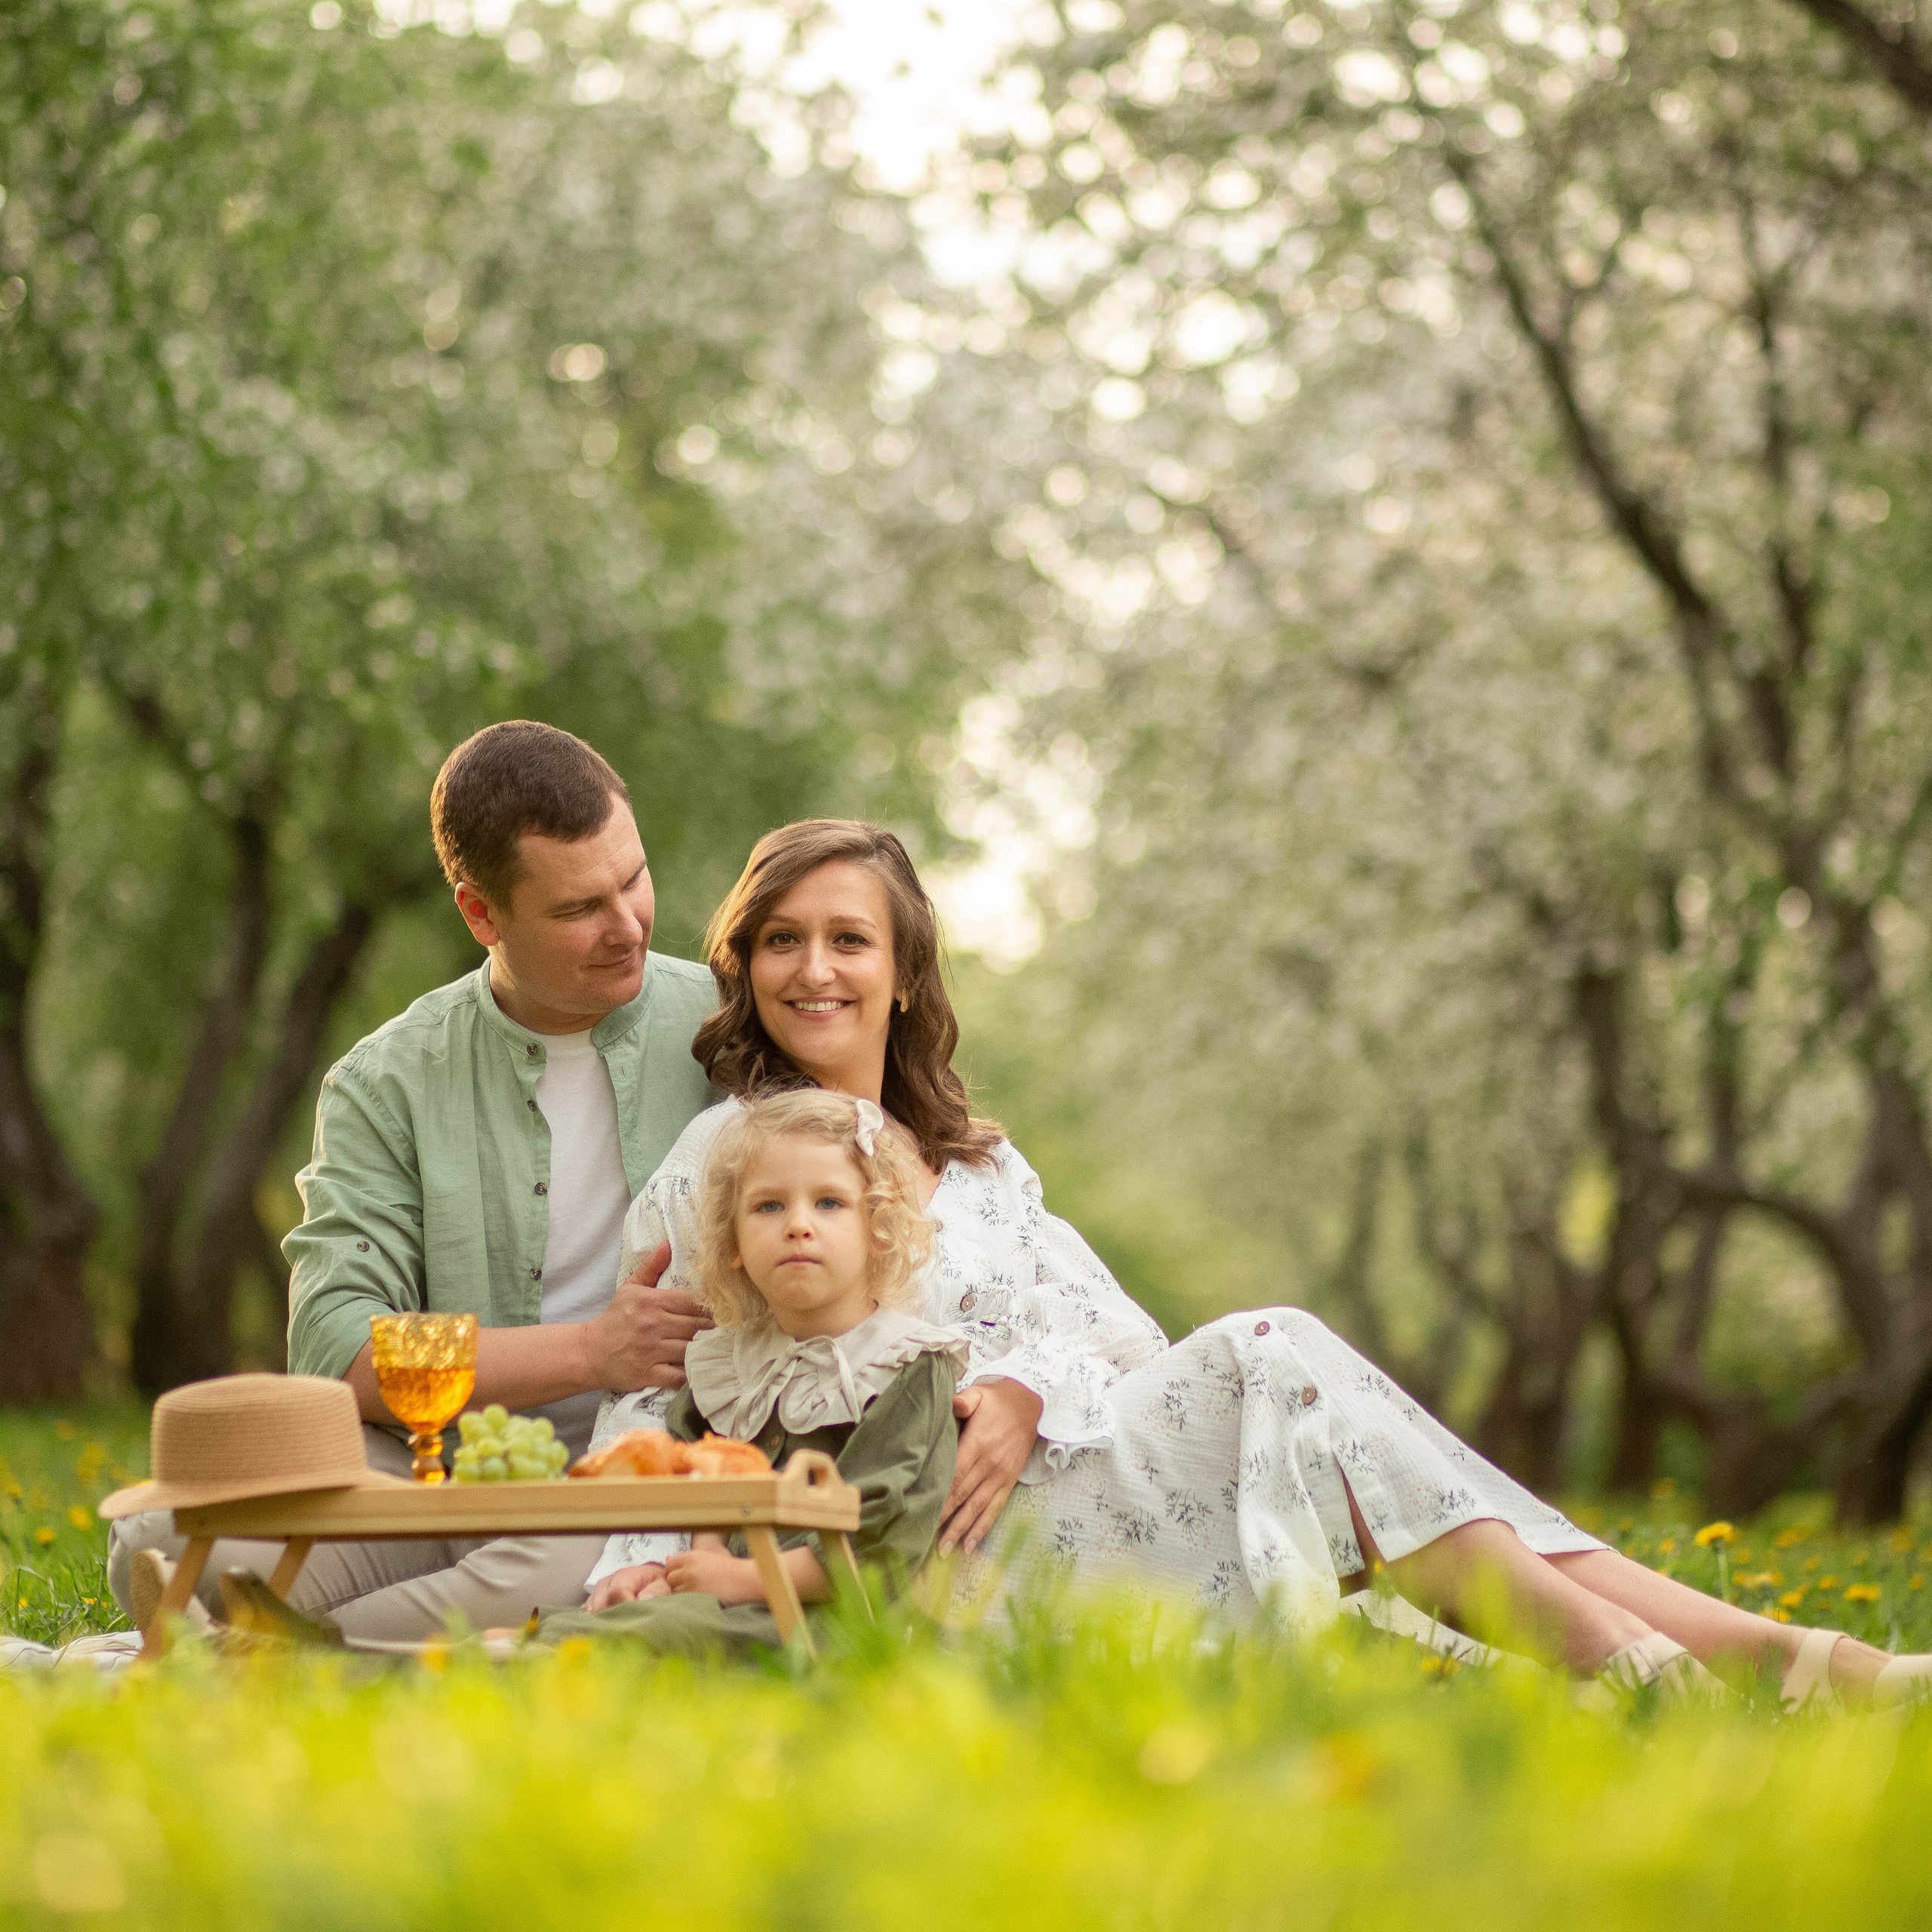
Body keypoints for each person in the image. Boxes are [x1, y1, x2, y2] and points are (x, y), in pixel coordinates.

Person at [580, 818, 1932, 1706]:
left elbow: (1123, 1343)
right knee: (1281, 1359)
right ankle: (1723, 1672)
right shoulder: (728, 1161)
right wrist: (633, 1565)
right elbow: (656, 1398)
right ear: (745, 964)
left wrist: (1025, 1390)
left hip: (1088, 1480)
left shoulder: (985, 1171)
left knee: (1293, 1390)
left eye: (847, 939)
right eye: (781, 941)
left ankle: (1760, 1666)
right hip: (954, 1554)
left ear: (905, 970)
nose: (812, 969)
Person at [108, 721, 716, 1640]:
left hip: (642, 1473)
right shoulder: (385, 1080)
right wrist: (589, 1353)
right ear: (481, 914)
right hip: (431, 1473)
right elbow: (337, 1346)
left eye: (632, 879)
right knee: (157, 1536)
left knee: (565, 1557)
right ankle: (348, 1632)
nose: (626, 925)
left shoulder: (730, 1026)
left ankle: (273, 1657)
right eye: (576, 908)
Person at [538, 1088, 964, 1654]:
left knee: (649, 1638)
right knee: (595, 1621)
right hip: (731, 1603)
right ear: (734, 1242)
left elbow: (880, 1547)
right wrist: (678, 1568)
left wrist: (739, 1579)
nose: (798, 1225)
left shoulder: (905, 1366)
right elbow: (709, 1482)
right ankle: (487, 1665)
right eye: (769, 1206)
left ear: (877, 1226)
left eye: (829, 1203)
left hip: (833, 1622)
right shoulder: (733, 1367)